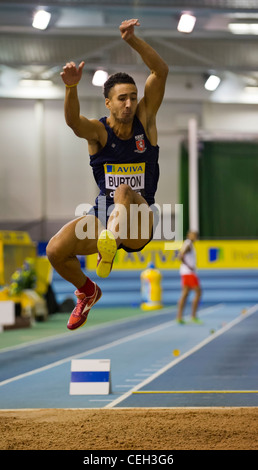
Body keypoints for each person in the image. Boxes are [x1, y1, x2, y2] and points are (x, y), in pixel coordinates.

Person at [46, 19, 168, 330]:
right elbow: (73, 122)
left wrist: (131, 39)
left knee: (125, 191)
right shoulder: (98, 133)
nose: (129, 103)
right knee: (55, 251)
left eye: (132, 97)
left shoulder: (146, 121)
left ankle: (108, 244)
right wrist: (71, 87)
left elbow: (160, 72)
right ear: (108, 103)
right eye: (122, 99)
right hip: (103, 216)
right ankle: (88, 292)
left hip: (138, 219)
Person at [177, 230, 202, 324]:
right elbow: (180, 256)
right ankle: (193, 316)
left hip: (186, 273)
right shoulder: (188, 244)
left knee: (185, 294)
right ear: (189, 235)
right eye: (193, 235)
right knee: (198, 292)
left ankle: (179, 317)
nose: (195, 237)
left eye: (196, 235)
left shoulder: (189, 244)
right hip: (189, 273)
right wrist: (189, 266)